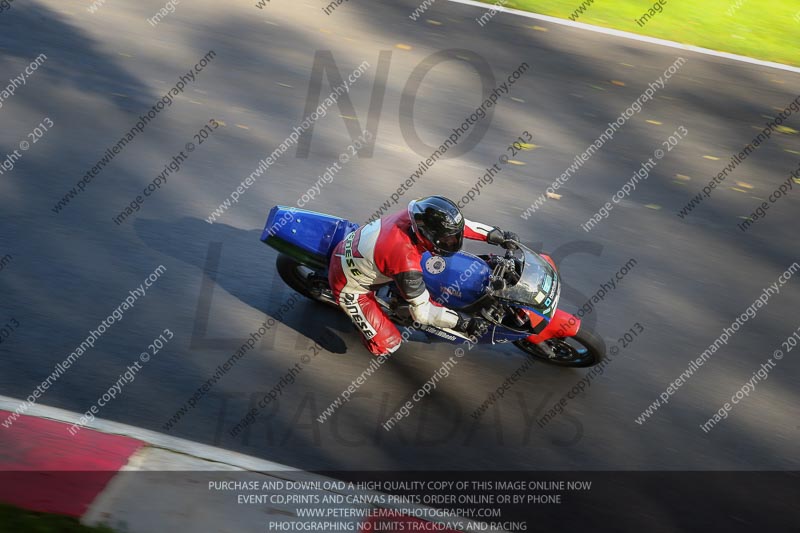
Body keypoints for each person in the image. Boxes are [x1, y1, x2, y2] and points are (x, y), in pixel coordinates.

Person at [328, 195, 519, 356]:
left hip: (371, 248)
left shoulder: (418, 214)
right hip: (349, 283)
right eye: (446, 240)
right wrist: (464, 324)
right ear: (425, 235)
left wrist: (498, 235)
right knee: (389, 345)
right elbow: (424, 313)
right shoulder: (405, 261)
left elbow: (459, 225)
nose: (453, 241)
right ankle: (368, 326)